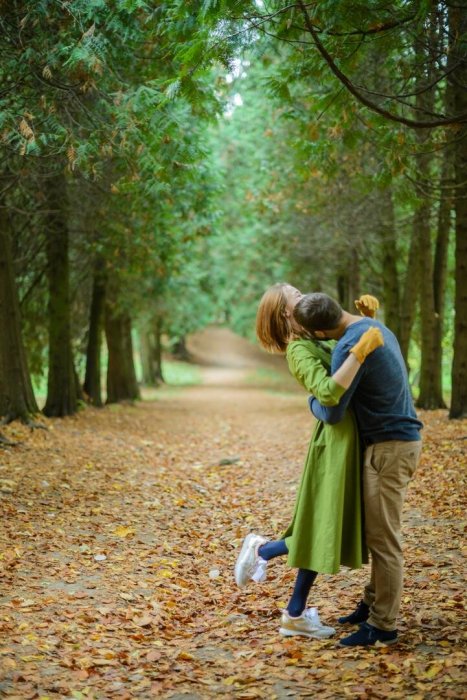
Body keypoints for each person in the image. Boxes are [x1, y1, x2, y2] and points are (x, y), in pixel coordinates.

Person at [234, 284, 384, 640]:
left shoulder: (317, 338)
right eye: (294, 295)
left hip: (351, 439)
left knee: (327, 526)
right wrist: (360, 351)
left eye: (299, 290)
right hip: (335, 447)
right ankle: (264, 551)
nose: (302, 295)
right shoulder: (299, 351)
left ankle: (295, 612)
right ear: (285, 313)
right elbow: (330, 390)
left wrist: (366, 323)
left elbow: (347, 360)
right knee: (324, 526)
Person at [293, 292, 423, 647]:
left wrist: (311, 401)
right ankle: (371, 605)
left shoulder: (348, 348)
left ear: (318, 333)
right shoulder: (373, 326)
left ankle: (384, 626)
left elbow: (332, 411)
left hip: (388, 447)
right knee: (378, 534)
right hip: (397, 443)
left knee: (384, 542)